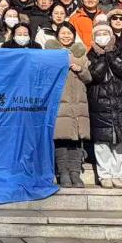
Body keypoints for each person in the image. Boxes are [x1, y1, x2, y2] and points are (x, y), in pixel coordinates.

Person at [85, 17, 122, 188]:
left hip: (119, 101)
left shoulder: (120, 52)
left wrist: (110, 54)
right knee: (102, 142)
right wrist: (103, 57)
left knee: (119, 141)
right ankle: (104, 174)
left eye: (106, 33)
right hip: (99, 104)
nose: (102, 36)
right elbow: (94, 75)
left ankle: (117, 173)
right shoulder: (90, 54)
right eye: (99, 34)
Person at [44, 22, 92, 187]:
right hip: (59, 102)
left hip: (79, 103)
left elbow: (89, 78)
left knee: (77, 140)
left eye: (69, 33)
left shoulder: (81, 54)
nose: (66, 36)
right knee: (61, 138)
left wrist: (81, 69)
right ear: (57, 35)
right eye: (63, 33)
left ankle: (75, 173)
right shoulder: (50, 54)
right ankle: (63, 173)